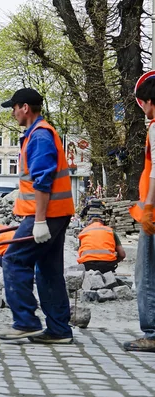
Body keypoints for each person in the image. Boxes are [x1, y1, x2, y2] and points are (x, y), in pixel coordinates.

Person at [0, 87, 75, 344]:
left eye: (14, 108)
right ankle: (59, 330)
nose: (12, 113)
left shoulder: (40, 136)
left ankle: (26, 322)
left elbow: (43, 182)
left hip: (46, 215)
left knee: (13, 260)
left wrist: (40, 221)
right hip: (56, 213)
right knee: (49, 270)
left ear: (25, 108)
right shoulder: (39, 134)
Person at [126, 75, 155, 352]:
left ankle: (152, 332)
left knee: (146, 274)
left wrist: (147, 208)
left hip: (154, 214)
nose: (143, 110)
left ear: (149, 103)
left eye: (144, 104)